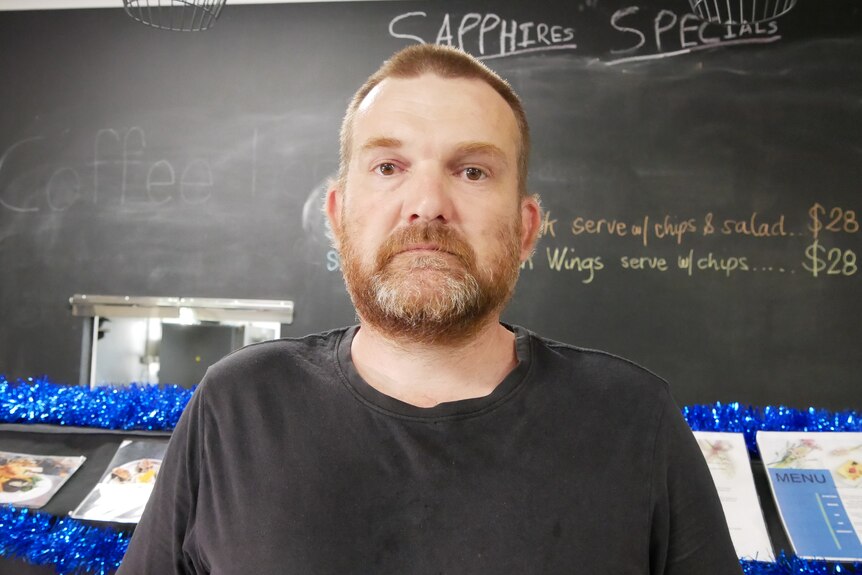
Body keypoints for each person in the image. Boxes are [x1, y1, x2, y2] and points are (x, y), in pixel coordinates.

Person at [117, 44, 742, 574]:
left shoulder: (633, 420)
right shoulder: (238, 407)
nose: (427, 203)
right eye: (389, 166)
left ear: (526, 228)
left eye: (471, 171)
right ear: (338, 217)